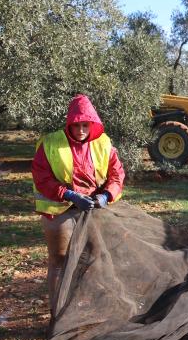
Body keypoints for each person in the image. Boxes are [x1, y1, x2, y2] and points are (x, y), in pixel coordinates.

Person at [31, 94, 125, 312]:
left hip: (94, 209)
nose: (81, 130)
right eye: (76, 125)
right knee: (59, 261)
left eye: (85, 125)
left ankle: (95, 310)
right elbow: (41, 177)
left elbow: (117, 174)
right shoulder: (50, 143)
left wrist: (106, 196)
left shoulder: (103, 143)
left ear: (92, 125)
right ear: (69, 124)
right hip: (60, 209)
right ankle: (57, 314)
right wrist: (70, 195)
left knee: (97, 259)